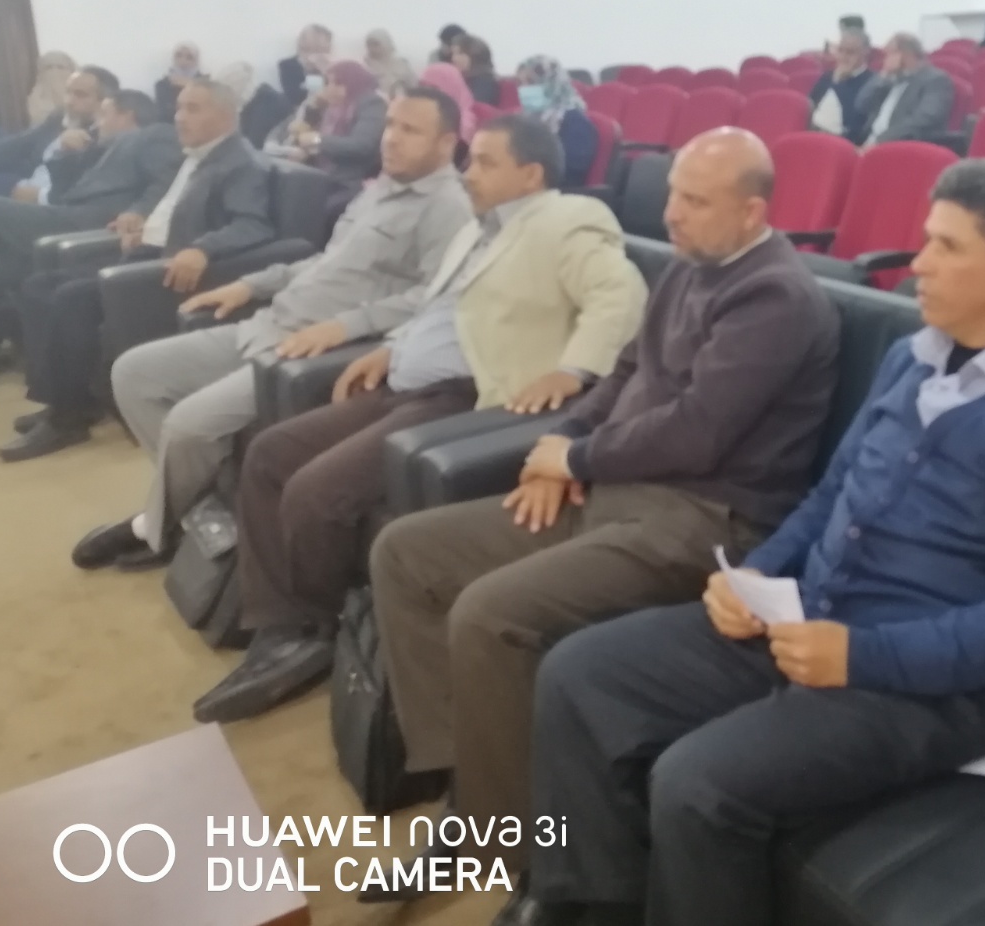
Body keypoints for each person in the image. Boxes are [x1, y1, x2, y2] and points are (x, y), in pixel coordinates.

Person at [500, 159, 985, 926]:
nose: (919, 264)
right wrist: (754, 576)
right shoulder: (909, 359)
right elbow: (832, 496)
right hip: (810, 621)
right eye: (924, 241)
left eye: (946, 247)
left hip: (934, 684)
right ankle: (590, 908)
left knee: (698, 783)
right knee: (580, 674)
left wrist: (861, 656)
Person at [362, 129, 840, 900]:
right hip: (617, 493)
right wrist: (560, 446)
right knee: (406, 554)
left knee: (490, 613)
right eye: (674, 192)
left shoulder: (775, 297)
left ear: (752, 212)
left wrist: (579, 460)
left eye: (695, 200)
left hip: (702, 521)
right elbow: (623, 375)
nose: (672, 212)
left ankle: (514, 850)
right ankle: (475, 794)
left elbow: (698, 429)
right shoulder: (690, 266)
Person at [189, 114, 647, 724]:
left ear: (531, 174)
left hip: (465, 395)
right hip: (407, 380)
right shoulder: (478, 230)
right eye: (471, 160)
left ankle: (313, 630)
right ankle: (279, 623)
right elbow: (436, 310)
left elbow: (621, 296)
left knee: (315, 490)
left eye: (486, 162)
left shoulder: (568, 219)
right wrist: (390, 348)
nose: (469, 172)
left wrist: (572, 370)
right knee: (271, 452)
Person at [70, 87, 474, 572]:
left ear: (446, 142)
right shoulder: (380, 190)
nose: (391, 138)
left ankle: (155, 529)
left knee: (187, 425)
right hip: (270, 322)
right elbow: (323, 262)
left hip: (310, 351)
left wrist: (345, 325)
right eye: (390, 125)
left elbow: (432, 301)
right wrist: (249, 285)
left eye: (410, 130)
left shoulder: (449, 208)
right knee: (133, 373)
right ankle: (199, 516)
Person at [0, 80, 275, 462]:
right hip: (144, 248)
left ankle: (68, 420)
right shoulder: (195, 155)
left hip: (168, 267)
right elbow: (169, 207)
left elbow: (252, 224)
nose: (179, 117)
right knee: (40, 285)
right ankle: (65, 399)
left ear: (226, 116)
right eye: (179, 107)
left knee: (71, 297)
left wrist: (202, 248)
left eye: (193, 109)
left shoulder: (239, 163)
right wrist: (139, 218)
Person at [0, 90, 180, 344]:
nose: (97, 123)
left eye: (104, 114)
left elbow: (167, 179)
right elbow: (60, 193)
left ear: (126, 115)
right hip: (67, 214)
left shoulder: (155, 135)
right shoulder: (101, 147)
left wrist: (139, 211)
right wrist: (63, 153)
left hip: (94, 221)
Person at [0, 65, 120, 199]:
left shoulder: (102, 139)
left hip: (31, 188)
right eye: (68, 92)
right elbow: (23, 141)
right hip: (25, 167)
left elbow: (63, 192)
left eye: (80, 95)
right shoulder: (60, 115)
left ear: (105, 102)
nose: (69, 101)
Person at [268, 59, 388, 191]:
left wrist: (317, 140)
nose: (330, 88)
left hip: (348, 182)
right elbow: (316, 138)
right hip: (321, 174)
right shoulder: (333, 107)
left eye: (337, 83)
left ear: (353, 83)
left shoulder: (372, 104)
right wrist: (314, 107)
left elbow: (361, 146)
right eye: (329, 83)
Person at [855, 32, 955, 147]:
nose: (886, 60)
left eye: (890, 54)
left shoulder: (936, 80)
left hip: (902, 144)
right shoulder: (889, 78)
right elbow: (861, 105)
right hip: (868, 140)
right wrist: (883, 76)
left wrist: (881, 140)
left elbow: (923, 120)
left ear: (907, 55)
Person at [515, 54, 599, 188]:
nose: (524, 89)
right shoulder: (523, 119)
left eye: (531, 83)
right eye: (520, 83)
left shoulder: (575, 122)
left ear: (551, 83)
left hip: (555, 192)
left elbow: (570, 172)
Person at [808, 26, 875, 142]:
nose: (843, 56)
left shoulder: (873, 82)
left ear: (865, 52)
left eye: (850, 52)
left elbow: (855, 121)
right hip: (813, 135)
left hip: (843, 140)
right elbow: (811, 106)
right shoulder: (828, 77)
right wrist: (835, 81)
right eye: (840, 50)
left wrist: (840, 83)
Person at [420, 61, 481, 144]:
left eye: (434, 88)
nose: (426, 93)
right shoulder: (413, 113)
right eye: (422, 86)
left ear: (452, 88)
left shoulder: (462, 125)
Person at [278, 23, 333, 108]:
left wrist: (324, 71)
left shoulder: (332, 68)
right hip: (299, 111)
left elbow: (336, 95)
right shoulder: (287, 65)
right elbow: (294, 97)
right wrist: (311, 71)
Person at [154, 42, 204, 122]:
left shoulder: (206, 84)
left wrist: (192, 86)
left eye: (189, 57)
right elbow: (162, 115)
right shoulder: (162, 84)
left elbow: (205, 110)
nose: (183, 61)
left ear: (196, 61)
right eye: (179, 55)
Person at [24, 51, 76, 127]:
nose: (54, 71)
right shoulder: (32, 102)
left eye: (60, 67)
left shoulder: (79, 97)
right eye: (49, 67)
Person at [363, 28, 420, 95]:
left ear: (386, 43)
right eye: (369, 45)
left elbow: (414, 86)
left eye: (376, 44)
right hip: (378, 101)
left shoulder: (402, 64)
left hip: (403, 100)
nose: (372, 48)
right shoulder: (365, 67)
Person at [453, 34, 501, 105]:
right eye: (453, 54)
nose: (454, 58)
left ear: (475, 55)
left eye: (460, 53)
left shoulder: (484, 81)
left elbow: (475, 107)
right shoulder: (464, 79)